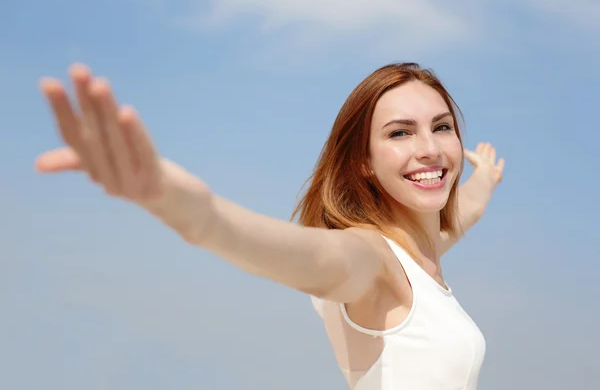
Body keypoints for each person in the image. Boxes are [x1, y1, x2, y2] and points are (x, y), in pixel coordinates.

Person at [36, 62, 504, 389]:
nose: (429, 148)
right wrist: (196, 213)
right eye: (400, 133)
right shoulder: (372, 259)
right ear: (362, 161)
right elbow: (309, 257)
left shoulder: (423, 256)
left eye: (441, 127)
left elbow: (455, 221)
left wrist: (483, 180)